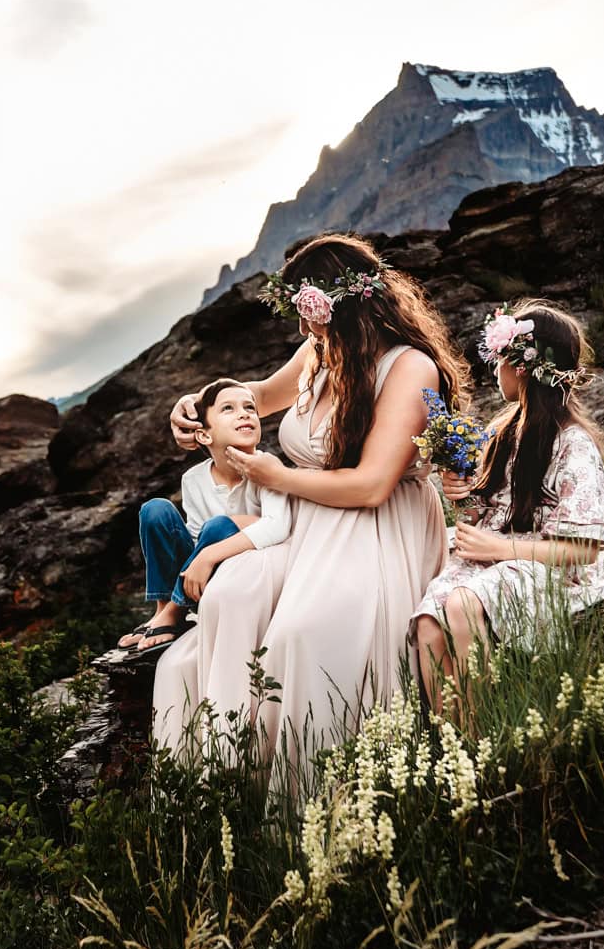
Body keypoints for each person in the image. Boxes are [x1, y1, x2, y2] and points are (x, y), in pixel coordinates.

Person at [152, 233, 468, 781]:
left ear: (341, 304)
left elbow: (372, 485)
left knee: (302, 632)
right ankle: (226, 772)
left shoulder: (409, 367)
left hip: (378, 527)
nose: (301, 329)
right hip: (305, 523)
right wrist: (197, 403)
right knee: (232, 591)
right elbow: (258, 396)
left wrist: (282, 476)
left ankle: (314, 788)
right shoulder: (319, 351)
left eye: (307, 312)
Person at [408, 299, 604, 709]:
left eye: (500, 358)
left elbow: (583, 549)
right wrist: (462, 495)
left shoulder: (572, 444)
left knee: (462, 604)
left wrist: (497, 548)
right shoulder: (502, 431)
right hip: (496, 561)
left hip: (551, 570)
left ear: (522, 366)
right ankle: (450, 740)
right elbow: (486, 514)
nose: (495, 368)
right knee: (428, 621)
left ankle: (478, 734)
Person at [119, 378, 291, 654]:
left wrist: (209, 553)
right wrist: (203, 555)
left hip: (248, 579)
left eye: (249, 407)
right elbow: (197, 536)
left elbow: (279, 527)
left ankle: (174, 612)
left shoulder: (267, 467)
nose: (245, 413)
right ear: (204, 435)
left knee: (219, 525)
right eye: (229, 409)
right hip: (202, 582)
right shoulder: (194, 478)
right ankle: (163, 609)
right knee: (156, 509)